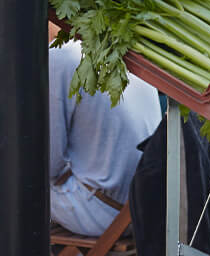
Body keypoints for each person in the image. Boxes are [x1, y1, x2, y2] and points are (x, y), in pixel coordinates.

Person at [49, 30, 163, 236]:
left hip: (103, 213)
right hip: (147, 210)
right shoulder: (128, 43)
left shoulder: (60, 55)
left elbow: (48, 165)